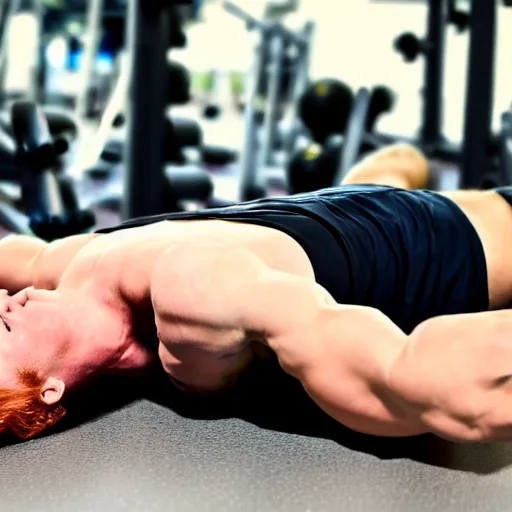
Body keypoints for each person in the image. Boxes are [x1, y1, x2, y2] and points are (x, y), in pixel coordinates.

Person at [1, 143, 512, 443]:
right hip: (447, 241)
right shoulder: (191, 300)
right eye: (1, 329)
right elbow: (397, 377)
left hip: (316, 207)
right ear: (46, 394)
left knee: (399, 158)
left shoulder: (52, 264)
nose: (3, 305)